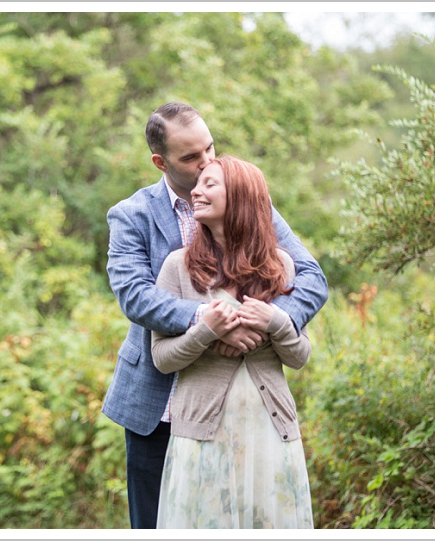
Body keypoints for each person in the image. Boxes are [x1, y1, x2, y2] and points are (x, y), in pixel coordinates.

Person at [101, 102, 327, 529]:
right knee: (156, 523)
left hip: (240, 402)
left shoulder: (244, 200)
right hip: (158, 400)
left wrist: (260, 321)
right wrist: (210, 319)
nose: (207, 161)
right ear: (160, 161)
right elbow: (135, 297)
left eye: (209, 148)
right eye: (191, 157)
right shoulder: (132, 214)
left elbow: (311, 276)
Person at [152, 155, 314, 528]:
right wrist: (206, 331)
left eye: (210, 184)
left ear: (240, 196)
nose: (196, 191)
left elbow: (300, 355)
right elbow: (161, 357)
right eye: (198, 184)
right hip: (202, 434)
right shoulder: (177, 267)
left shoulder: (282, 265)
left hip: (269, 432)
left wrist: (274, 321)